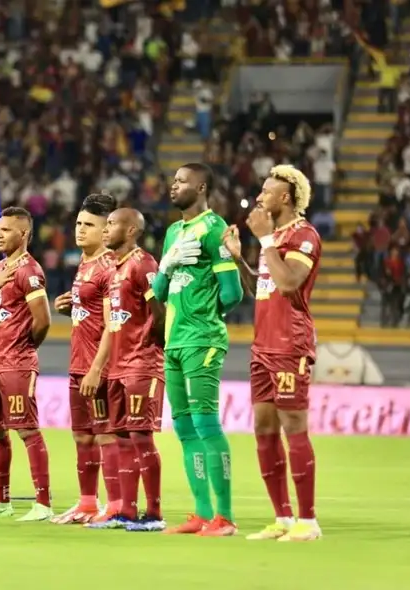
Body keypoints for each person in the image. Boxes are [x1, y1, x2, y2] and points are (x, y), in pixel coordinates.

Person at [222, 164, 323, 542]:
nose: (260, 196)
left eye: (267, 191)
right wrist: (237, 256)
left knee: (294, 428)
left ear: (286, 197)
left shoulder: (304, 235)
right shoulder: (274, 238)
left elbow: (290, 283)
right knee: (264, 429)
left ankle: (308, 521)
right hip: (262, 346)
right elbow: (261, 286)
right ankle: (282, 518)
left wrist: (265, 241)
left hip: (289, 344)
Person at [151, 163, 244, 536]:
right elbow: (159, 292)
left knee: (206, 425)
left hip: (201, 339)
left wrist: (205, 315)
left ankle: (225, 517)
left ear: (202, 187)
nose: (174, 186)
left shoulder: (215, 229)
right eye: (172, 181)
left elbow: (233, 294)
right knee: (185, 429)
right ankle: (202, 514)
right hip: (173, 340)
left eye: (182, 181)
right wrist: (166, 264)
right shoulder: (174, 231)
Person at [84, 207, 167, 532]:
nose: (106, 229)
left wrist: (148, 351)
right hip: (118, 367)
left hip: (140, 366)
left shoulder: (143, 264)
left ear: (131, 230)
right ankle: (126, 512)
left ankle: (155, 513)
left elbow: (159, 311)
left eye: (113, 224)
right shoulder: (116, 269)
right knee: (121, 439)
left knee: (140, 437)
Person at [0, 206, 53, 522]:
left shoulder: (29, 271)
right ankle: (0, 501)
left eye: (7, 230)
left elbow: (43, 321)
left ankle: (42, 504)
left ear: (24, 234)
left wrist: (22, 348)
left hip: (17, 363)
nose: (0, 234)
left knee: (27, 430)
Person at [51, 194, 121, 524]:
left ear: (106, 229)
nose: (80, 230)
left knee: (106, 436)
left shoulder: (110, 268)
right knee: (82, 437)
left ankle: (116, 504)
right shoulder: (84, 264)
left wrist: (97, 369)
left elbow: (113, 324)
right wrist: (71, 306)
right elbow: (92, 311)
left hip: (99, 366)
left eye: (88, 225)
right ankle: (88, 503)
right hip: (78, 363)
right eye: (78, 223)